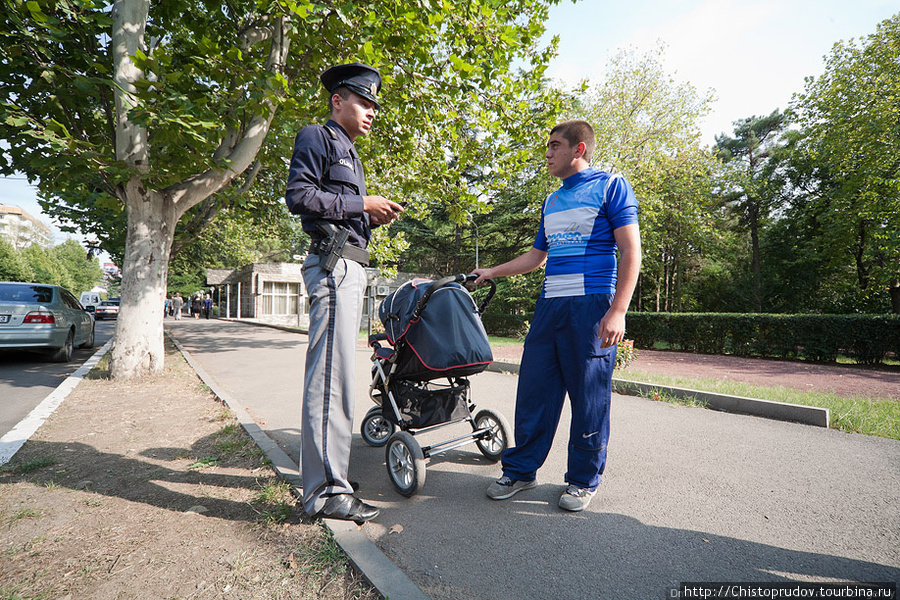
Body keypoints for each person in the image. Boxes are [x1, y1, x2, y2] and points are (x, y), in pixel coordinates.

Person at [474, 120, 641, 512]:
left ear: (578, 149)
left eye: (554, 145)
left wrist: (618, 311)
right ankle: (521, 471)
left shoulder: (611, 186)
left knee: (589, 398)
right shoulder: (551, 201)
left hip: (592, 306)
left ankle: (583, 480)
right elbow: (537, 257)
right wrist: (492, 272)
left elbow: (631, 251)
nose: (547, 153)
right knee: (534, 392)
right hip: (550, 307)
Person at [284, 62, 403, 523]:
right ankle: (327, 492)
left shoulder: (351, 152)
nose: (372, 112)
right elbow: (299, 196)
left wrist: (369, 216)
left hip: (350, 265)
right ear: (338, 101)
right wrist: (362, 203)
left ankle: (329, 477)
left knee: (338, 381)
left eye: (375, 105)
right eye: (364, 102)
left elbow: (334, 206)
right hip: (332, 267)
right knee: (330, 383)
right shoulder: (317, 135)